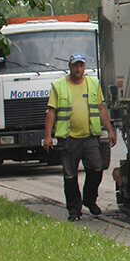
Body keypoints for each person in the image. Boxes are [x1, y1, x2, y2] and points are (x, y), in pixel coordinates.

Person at [43, 53, 117, 221]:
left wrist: (110, 130)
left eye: (81, 65)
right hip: (68, 138)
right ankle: (74, 209)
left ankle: (89, 199)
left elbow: (100, 108)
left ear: (84, 67)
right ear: (70, 67)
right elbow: (51, 112)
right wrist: (48, 136)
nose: (78, 69)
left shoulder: (93, 83)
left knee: (97, 167)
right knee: (70, 175)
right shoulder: (59, 86)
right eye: (75, 65)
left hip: (90, 137)